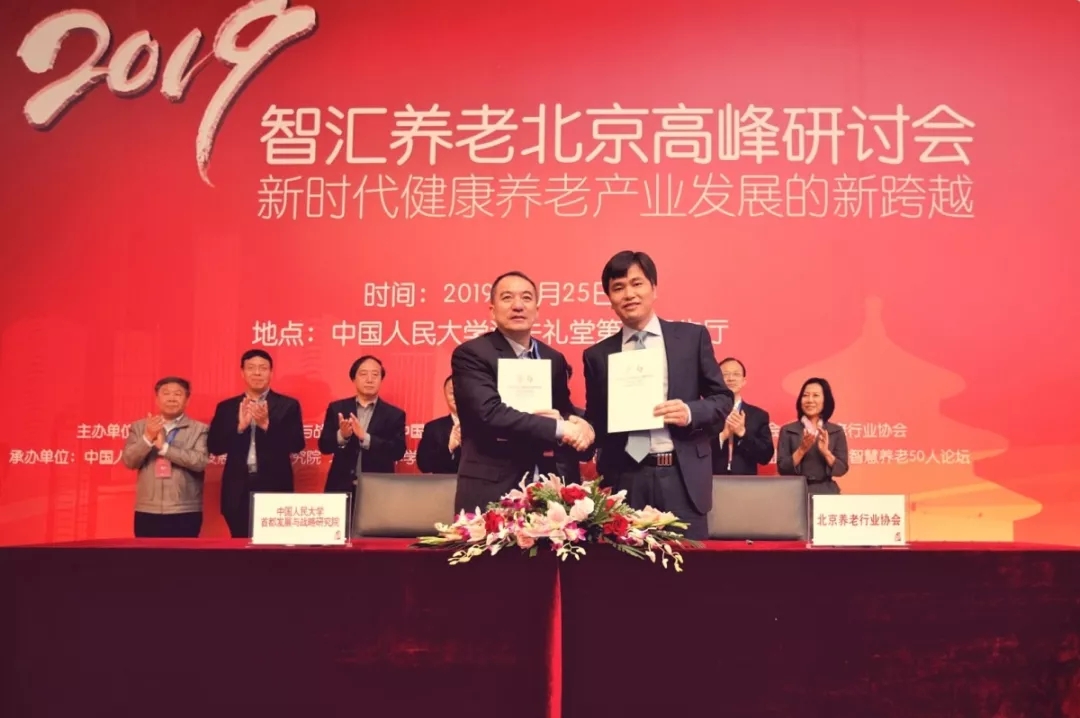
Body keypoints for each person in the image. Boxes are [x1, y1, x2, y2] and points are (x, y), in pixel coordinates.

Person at [583, 250, 732, 540]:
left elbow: (722, 398)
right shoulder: (597, 356)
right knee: (625, 567)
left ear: (654, 288)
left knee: (689, 565)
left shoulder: (691, 338)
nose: (629, 294)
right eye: (618, 287)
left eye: (637, 283)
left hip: (682, 478)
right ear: (609, 299)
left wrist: (689, 412)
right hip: (626, 479)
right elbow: (597, 421)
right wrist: (576, 426)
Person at [451, 270, 593, 511]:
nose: (518, 305)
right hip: (492, 488)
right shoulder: (472, 354)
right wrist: (560, 428)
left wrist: (580, 426)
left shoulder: (553, 358)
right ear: (492, 310)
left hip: (549, 489)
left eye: (526, 298)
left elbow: (562, 410)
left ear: (537, 310)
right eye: (507, 298)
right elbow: (489, 413)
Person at [207, 350, 305, 538]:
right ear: (242, 373)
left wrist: (267, 426)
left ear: (271, 373)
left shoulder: (288, 405)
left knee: (274, 545)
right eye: (251, 368)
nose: (257, 373)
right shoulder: (226, 407)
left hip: (275, 486)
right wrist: (239, 428)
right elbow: (215, 446)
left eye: (263, 368)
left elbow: (296, 444)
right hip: (237, 489)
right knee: (240, 545)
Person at [120, 376, 209, 538]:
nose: (171, 398)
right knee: (147, 554)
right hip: (147, 508)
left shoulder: (199, 429)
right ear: (157, 399)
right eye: (166, 393)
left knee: (183, 554)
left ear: (187, 400)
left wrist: (164, 448)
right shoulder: (140, 427)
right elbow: (129, 461)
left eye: (177, 394)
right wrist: (147, 438)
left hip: (185, 509)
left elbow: (200, 462)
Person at [319, 355, 407, 492]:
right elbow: (324, 446)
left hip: (378, 488)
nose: (369, 380)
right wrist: (342, 436)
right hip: (340, 486)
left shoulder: (394, 414)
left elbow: (398, 451)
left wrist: (366, 438)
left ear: (381, 380)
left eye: (375, 375)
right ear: (353, 379)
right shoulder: (337, 408)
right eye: (363, 374)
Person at [776, 377, 849, 495]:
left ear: (825, 400)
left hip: (827, 492)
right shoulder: (788, 430)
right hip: (795, 493)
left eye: (815, 395)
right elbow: (782, 468)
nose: (810, 400)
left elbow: (842, 469)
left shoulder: (836, 431)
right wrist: (802, 450)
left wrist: (826, 452)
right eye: (805, 395)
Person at [709, 357, 775, 474]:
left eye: (736, 374)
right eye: (725, 374)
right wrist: (723, 436)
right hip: (711, 480)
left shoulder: (758, 415)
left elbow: (766, 456)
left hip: (745, 482)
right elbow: (695, 452)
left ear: (744, 381)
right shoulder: (707, 413)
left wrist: (743, 434)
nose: (731, 378)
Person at [416, 375, 461, 474]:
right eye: (452, 393)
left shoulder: (485, 425)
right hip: (444, 482)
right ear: (445, 396)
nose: (457, 396)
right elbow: (423, 464)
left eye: (462, 391)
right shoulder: (433, 428)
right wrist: (449, 448)